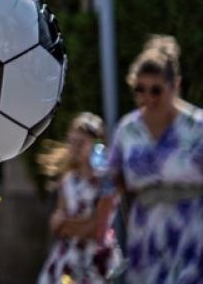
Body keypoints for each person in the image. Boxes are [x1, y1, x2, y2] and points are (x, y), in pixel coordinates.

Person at [105, 35, 203, 283]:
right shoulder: (127, 130)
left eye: (156, 90)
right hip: (145, 237)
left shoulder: (197, 127)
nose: (147, 97)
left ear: (175, 85)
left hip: (193, 234)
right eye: (140, 89)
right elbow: (114, 181)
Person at [38, 112, 121, 283]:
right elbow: (57, 225)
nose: (74, 148)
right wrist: (72, 223)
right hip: (67, 257)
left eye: (81, 143)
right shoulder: (67, 180)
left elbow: (97, 228)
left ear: (96, 144)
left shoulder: (106, 181)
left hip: (94, 259)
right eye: (72, 142)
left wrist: (68, 224)